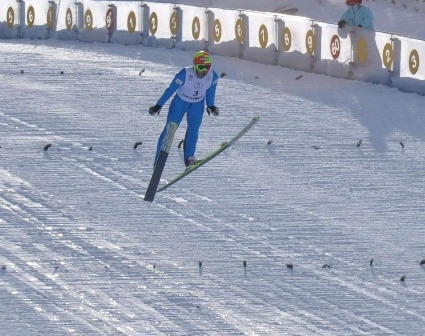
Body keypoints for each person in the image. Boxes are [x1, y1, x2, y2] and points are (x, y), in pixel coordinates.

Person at [149, 51, 219, 168]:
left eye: (207, 67)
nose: (204, 71)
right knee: (170, 129)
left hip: (197, 105)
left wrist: (210, 105)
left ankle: (189, 158)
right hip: (180, 103)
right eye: (201, 67)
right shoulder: (184, 74)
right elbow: (170, 90)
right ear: (195, 66)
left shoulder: (213, 76)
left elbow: (210, 91)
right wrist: (159, 105)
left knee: (194, 130)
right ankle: (158, 161)